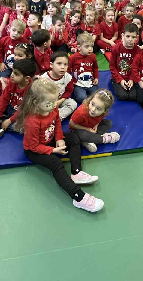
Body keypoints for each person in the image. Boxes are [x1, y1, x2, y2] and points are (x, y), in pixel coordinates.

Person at [15, 78, 104, 212]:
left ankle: (76, 172)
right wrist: (53, 150)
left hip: (50, 140)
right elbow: (33, 146)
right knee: (56, 164)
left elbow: (57, 122)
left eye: (55, 101)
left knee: (74, 138)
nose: (54, 105)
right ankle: (78, 197)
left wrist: (59, 138)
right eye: (49, 103)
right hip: (34, 150)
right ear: (36, 102)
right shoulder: (32, 121)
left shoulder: (52, 108)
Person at [0, 58, 36, 144]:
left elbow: (24, 110)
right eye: (12, 71)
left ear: (27, 78)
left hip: (22, 115)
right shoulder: (12, 82)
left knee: (24, 129)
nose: (12, 75)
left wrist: (10, 120)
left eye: (16, 74)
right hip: (12, 108)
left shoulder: (32, 89)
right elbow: (4, 98)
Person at [69, 89, 120, 153]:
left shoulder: (103, 113)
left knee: (108, 123)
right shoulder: (81, 112)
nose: (93, 110)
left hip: (91, 126)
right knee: (83, 135)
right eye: (92, 104)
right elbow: (72, 124)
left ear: (104, 111)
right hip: (78, 129)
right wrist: (87, 129)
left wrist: (96, 125)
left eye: (98, 108)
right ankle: (103, 139)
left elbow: (100, 119)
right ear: (90, 100)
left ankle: (88, 140)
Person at [40, 51, 78, 119]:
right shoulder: (44, 78)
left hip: (60, 100)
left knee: (73, 103)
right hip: (47, 101)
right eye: (59, 64)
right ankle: (49, 115)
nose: (63, 67)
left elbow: (68, 91)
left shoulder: (68, 77)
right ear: (51, 65)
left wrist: (60, 101)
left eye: (65, 64)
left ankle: (56, 117)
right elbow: (40, 94)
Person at [110, 23, 141, 100]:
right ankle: (114, 82)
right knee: (123, 96)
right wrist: (120, 80)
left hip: (131, 77)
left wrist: (132, 79)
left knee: (133, 96)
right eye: (127, 36)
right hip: (118, 76)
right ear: (122, 36)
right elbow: (112, 66)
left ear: (137, 38)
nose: (130, 39)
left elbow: (137, 67)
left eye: (133, 37)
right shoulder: (116, 48)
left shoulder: (138, 51)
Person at [69, 33, 100, 104]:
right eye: (87, 46)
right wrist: (69, 81)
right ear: (79, 47)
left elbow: (95, 68)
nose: (90, 49)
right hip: (78, 84)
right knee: (81, 97)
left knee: (98, 95)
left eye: (91, 46)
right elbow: (68, 70)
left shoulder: (93, 56)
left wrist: (96, 78)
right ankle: (88, 101)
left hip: (90, 83)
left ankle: (90, 100)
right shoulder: (73, 57)